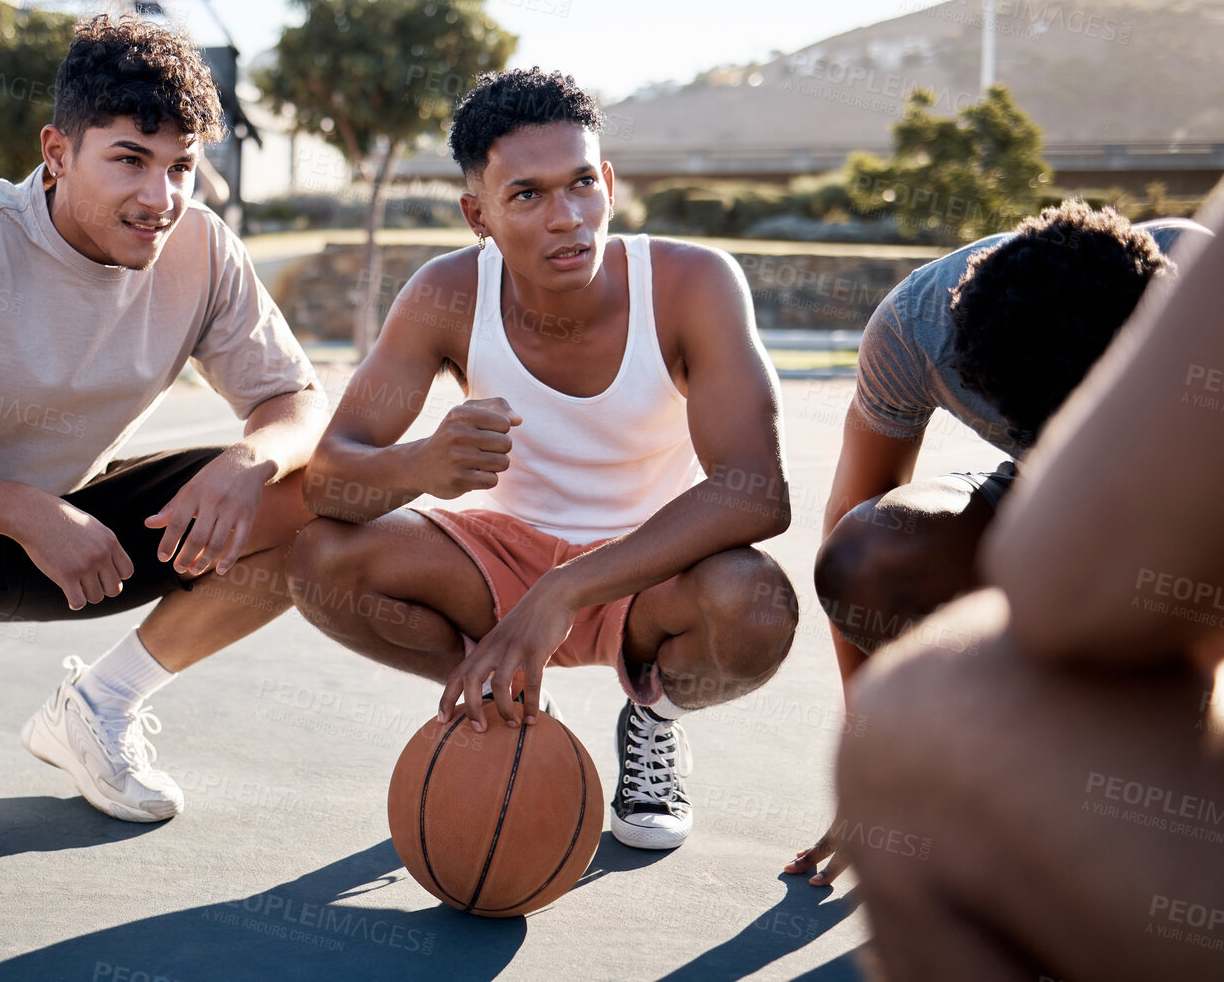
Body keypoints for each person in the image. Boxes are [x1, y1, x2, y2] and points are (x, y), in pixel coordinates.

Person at [0, 14, 323, 852]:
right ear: (56, 151)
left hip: (85, 521)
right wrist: (18, 511)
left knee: (310, 498)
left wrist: (249, 460)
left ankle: (101, 705)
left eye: (182, 167)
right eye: (129, 160)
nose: (161, 198)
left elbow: (295, 402)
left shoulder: (202, 248)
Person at [286, 67, 798, 851]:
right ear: (477, 214)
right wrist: (420, 463)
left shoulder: (692, 282)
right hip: (499, 559)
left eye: (581, 184)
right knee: (322, 558)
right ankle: (509, 699)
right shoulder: (445, 294)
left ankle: (654, 715)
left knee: (754, 602)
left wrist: (564, 589)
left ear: (610, 184)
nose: (566, 218)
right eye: (526, 195)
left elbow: (756, 492)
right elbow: (328, 479)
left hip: (649, 565)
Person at [834, 183, 1224, 980]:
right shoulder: (917, 326)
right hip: (1057, 499)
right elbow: (854, 514)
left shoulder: (1195, 310)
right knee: (874, 559)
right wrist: (866, 756)